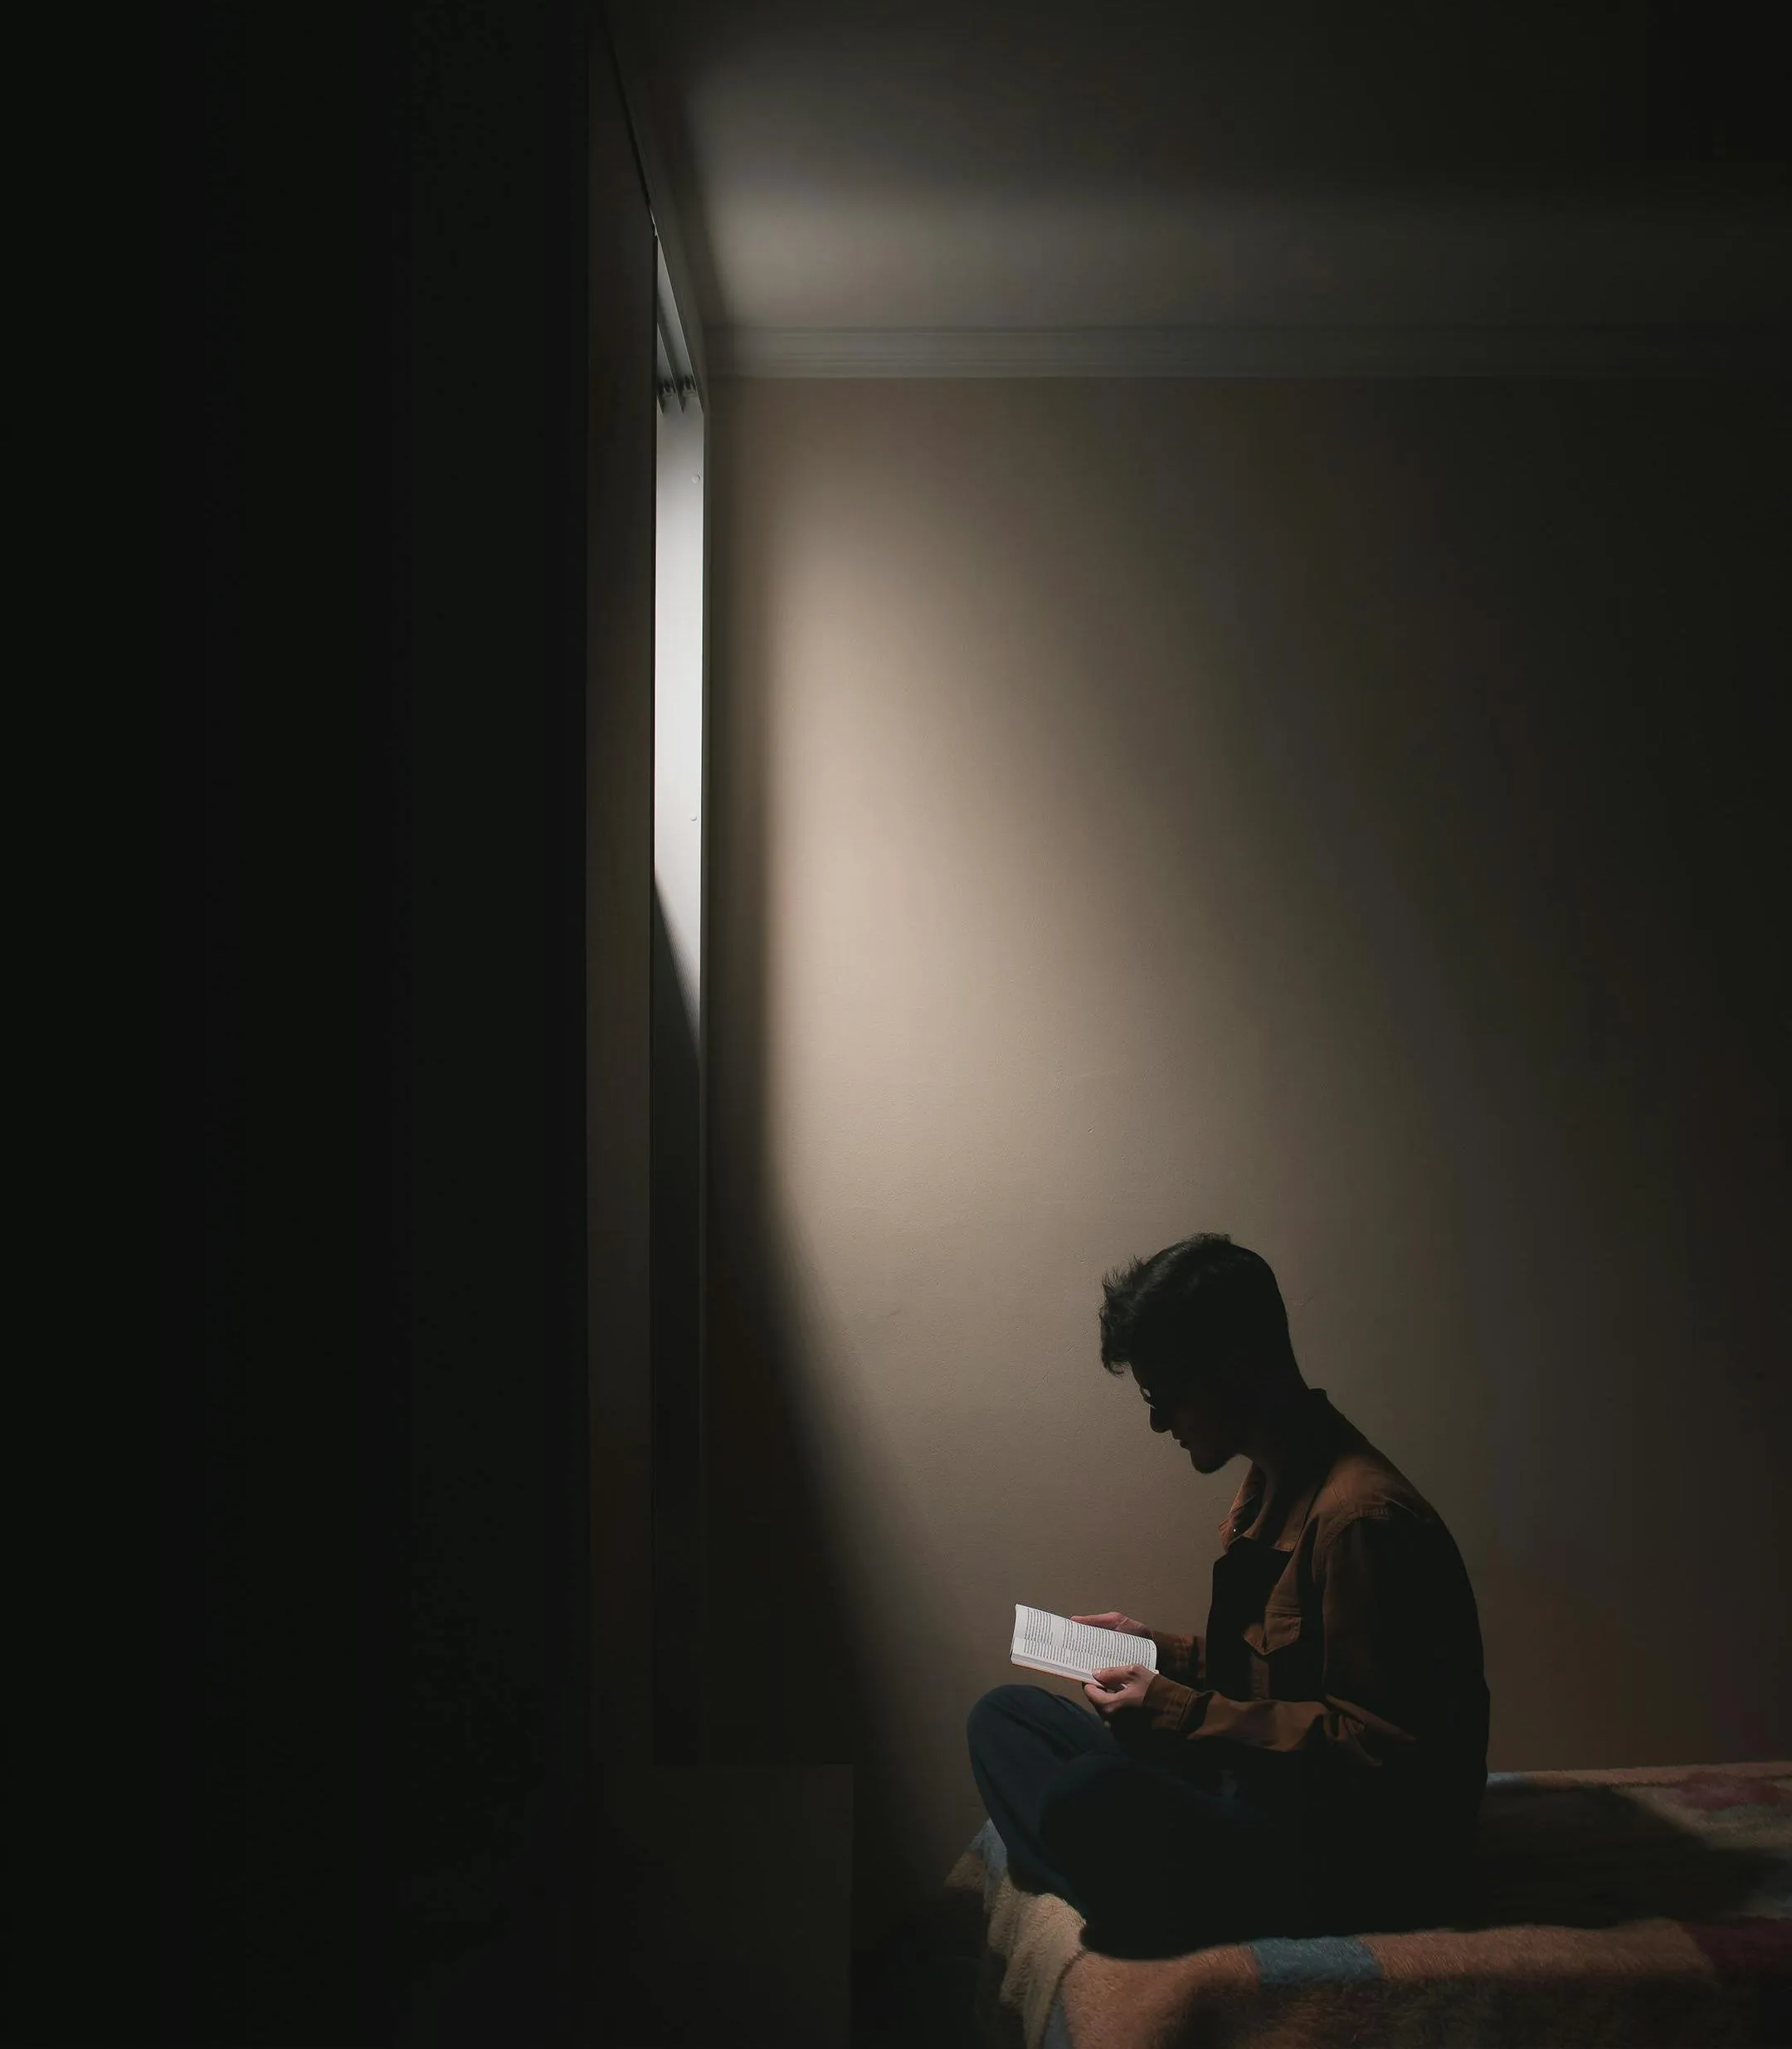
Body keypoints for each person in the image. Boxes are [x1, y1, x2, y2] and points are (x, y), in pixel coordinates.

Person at [966, 1234, 1489, 1958]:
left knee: (1087, 1796)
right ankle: (1136, 1886)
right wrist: (1160, 1655)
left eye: (1163, 1395)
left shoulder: (1362, 1521)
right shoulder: (1272, 1481)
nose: (1157, 1421)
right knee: (1004, 1718)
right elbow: (1293, 1673)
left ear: (1236, 1371)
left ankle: (1140, 1900)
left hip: (1353, 1854)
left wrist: (1175, 1711)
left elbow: (1382, 1751)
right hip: (1262, 1793)